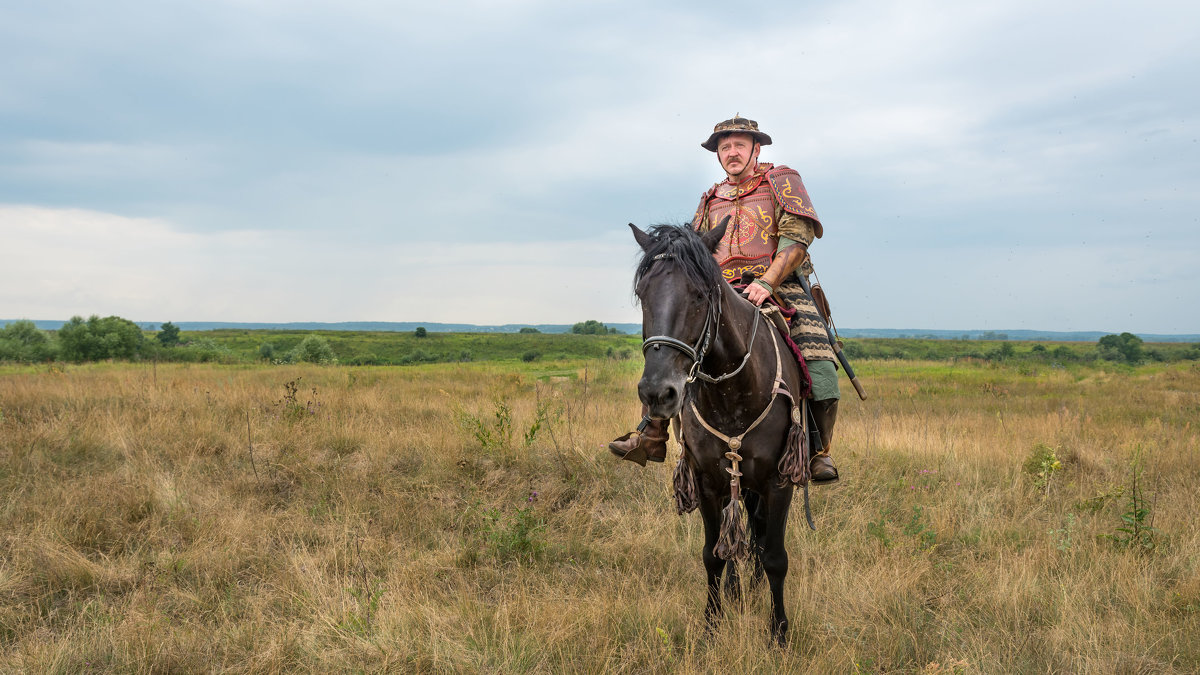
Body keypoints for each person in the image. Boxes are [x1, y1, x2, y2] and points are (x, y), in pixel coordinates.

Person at [609, 115, 841, 485]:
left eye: (738, 145)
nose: (731, 152)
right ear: (717, 153)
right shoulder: (710, 198)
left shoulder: (781, 181)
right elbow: (695, 251)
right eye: (724, 147)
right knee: (675, 336)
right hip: (719, 287)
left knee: (821, 363)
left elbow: (796, 240)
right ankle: (652, 432)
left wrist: (766, 282)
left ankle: (816, 451)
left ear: (756, 148)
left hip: (778, 284)